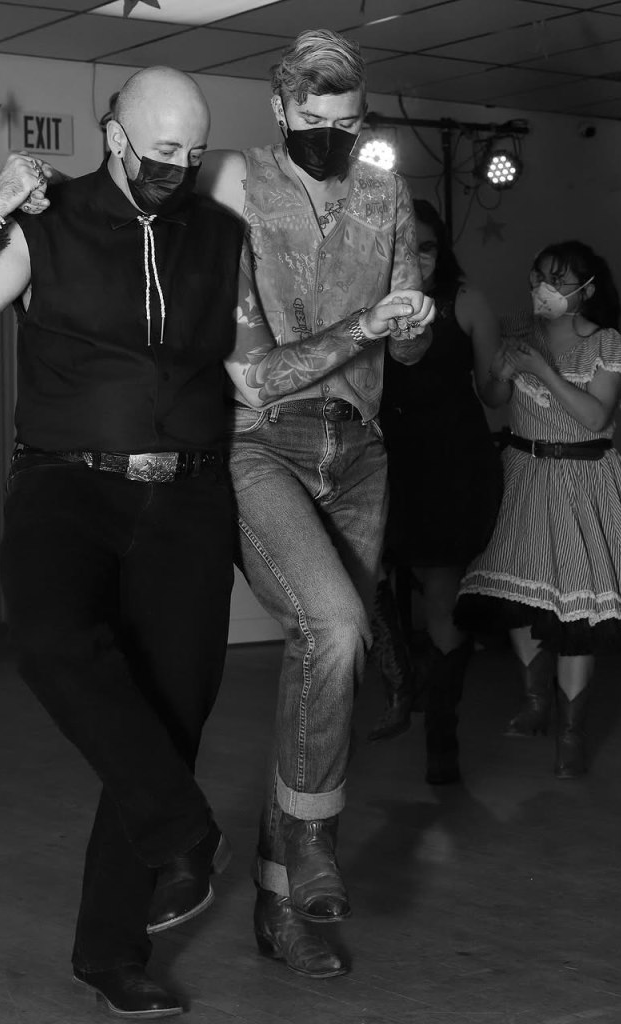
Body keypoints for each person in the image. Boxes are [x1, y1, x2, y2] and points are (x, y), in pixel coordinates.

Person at [0, 67, 248, 1020]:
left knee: (168, 717)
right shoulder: (46, 223)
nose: (178, 169)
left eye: (193, 152)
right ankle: (183, 830)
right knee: (51, 640)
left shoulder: (217, 233)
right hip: (69, 483)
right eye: (161, 153)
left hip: (189, 499)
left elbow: (249, 353)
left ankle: (110, 953)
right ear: (114, 137)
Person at [198, 29, 434, 978]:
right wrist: (365, 327)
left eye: (350, 122)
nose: (334, 136)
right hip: (262, 445)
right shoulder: (235, 186)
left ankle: (283, 898)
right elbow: (253, 378)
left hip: (362, 451)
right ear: (281, 110)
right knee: (334, 626)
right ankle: (311, 840)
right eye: (316, 120)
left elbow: (403, 349)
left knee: (321, 672)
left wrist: (411, 326)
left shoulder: (385, 193)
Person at [455, 240, 621, 778]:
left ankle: (572, 731)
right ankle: (536, 704)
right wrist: (503, 371)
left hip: (585, 479)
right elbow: (492, 398)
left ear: (586, 290)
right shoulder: (518, 333)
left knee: (578, 611)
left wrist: (542, 369)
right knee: (516, 592)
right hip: (524, 475)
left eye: (555, 281)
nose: (541, 290)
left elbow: (595, 419)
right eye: (537, 279)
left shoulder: (607, 344)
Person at [368, 199, 505, 786]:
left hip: (451, 463)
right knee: (369, 583)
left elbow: (493, 393)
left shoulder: (465, 301)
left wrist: (519, 367)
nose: (417, 255)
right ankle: (404, 690)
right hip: (381, 461)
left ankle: (441, 738)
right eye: (406, 245)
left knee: (443, 595)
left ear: (440, 248)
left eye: (426, 245)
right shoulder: (369, 306)